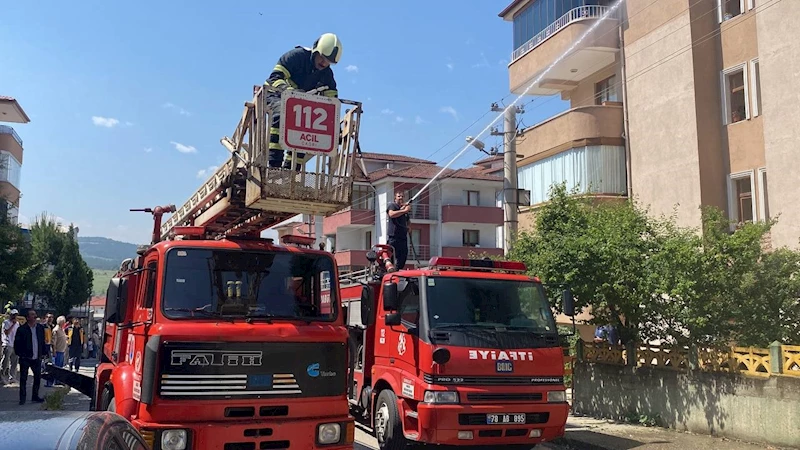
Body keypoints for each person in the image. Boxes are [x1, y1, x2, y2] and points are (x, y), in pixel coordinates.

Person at [266, 33, 343, 171]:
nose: (324, 63)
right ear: (315, 50)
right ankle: (274, 166)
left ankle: (291, 170)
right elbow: (274, 78)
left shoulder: (327, 75)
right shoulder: (296, 57)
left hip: (300, 106)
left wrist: (336, 126)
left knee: (307, 128)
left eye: (328, 62)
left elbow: (332, 101)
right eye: (322, 57)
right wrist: (290, 92)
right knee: (281, 115)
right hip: (276, 95)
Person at [13, 309, 47, 405]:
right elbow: (17, 344)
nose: (35, 316)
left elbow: (42, 341)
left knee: (37, 377)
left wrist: (44, 353)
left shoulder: (40, 328)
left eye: (35, 314)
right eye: (32, 315)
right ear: (28, 317)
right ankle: (22, 398)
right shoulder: (22, 329)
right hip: (25, 358)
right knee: (23, 379)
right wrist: (21, 354)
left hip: (36, 357)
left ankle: (35, 396)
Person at [386, 191, 412, 271]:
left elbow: (408, 221)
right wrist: (404, 211)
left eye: (402, 196)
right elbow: (391, 214)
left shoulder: (404, 209)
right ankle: (389, 270)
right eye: (399, 196)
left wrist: (409, 227)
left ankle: (397, 270)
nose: (401, 198)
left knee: (403, 256)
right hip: (394, 237)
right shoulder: (392, 205)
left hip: (403, 237)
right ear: (395, 198)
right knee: (391, 255)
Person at [1, 309, 19, 385]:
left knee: (14, 362)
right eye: (13, 315)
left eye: (16, 315)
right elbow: (6, 332)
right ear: (10, 315)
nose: (14, 316)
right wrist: (13, 324)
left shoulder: (17, 323)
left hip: (15, 344)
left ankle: (12, 377)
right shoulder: (6, 322)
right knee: (5, 362)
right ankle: (2, 377)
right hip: (7, 343)